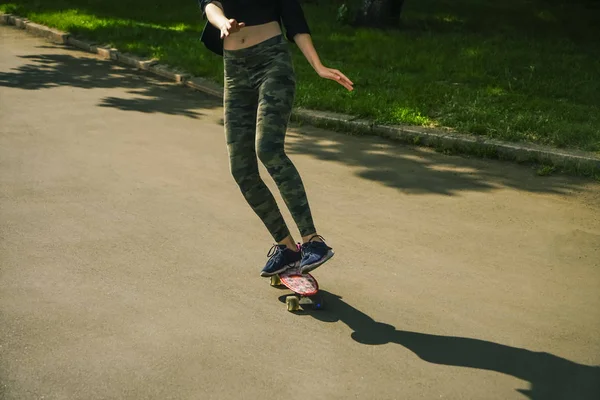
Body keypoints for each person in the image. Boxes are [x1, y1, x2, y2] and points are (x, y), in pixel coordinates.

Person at [198, 0, 353, 277]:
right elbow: (210, 5)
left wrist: (318, 66)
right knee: (241, 168)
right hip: (235, 71)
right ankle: (287, 248)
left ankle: (313, 242)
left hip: (272, 62)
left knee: (267, 148)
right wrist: (222, 23)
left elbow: (293, 18)